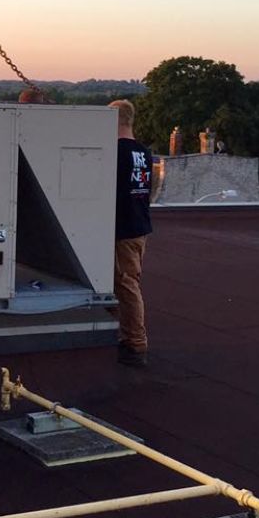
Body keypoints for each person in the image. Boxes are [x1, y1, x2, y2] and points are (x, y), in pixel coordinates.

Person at [108, 99, 153, 368]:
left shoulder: (116, 152)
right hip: (139, 226)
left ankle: (135, 345)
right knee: (129, 282)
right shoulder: (143, 152)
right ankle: (130, 338)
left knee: (126, 285)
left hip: (123, 229)